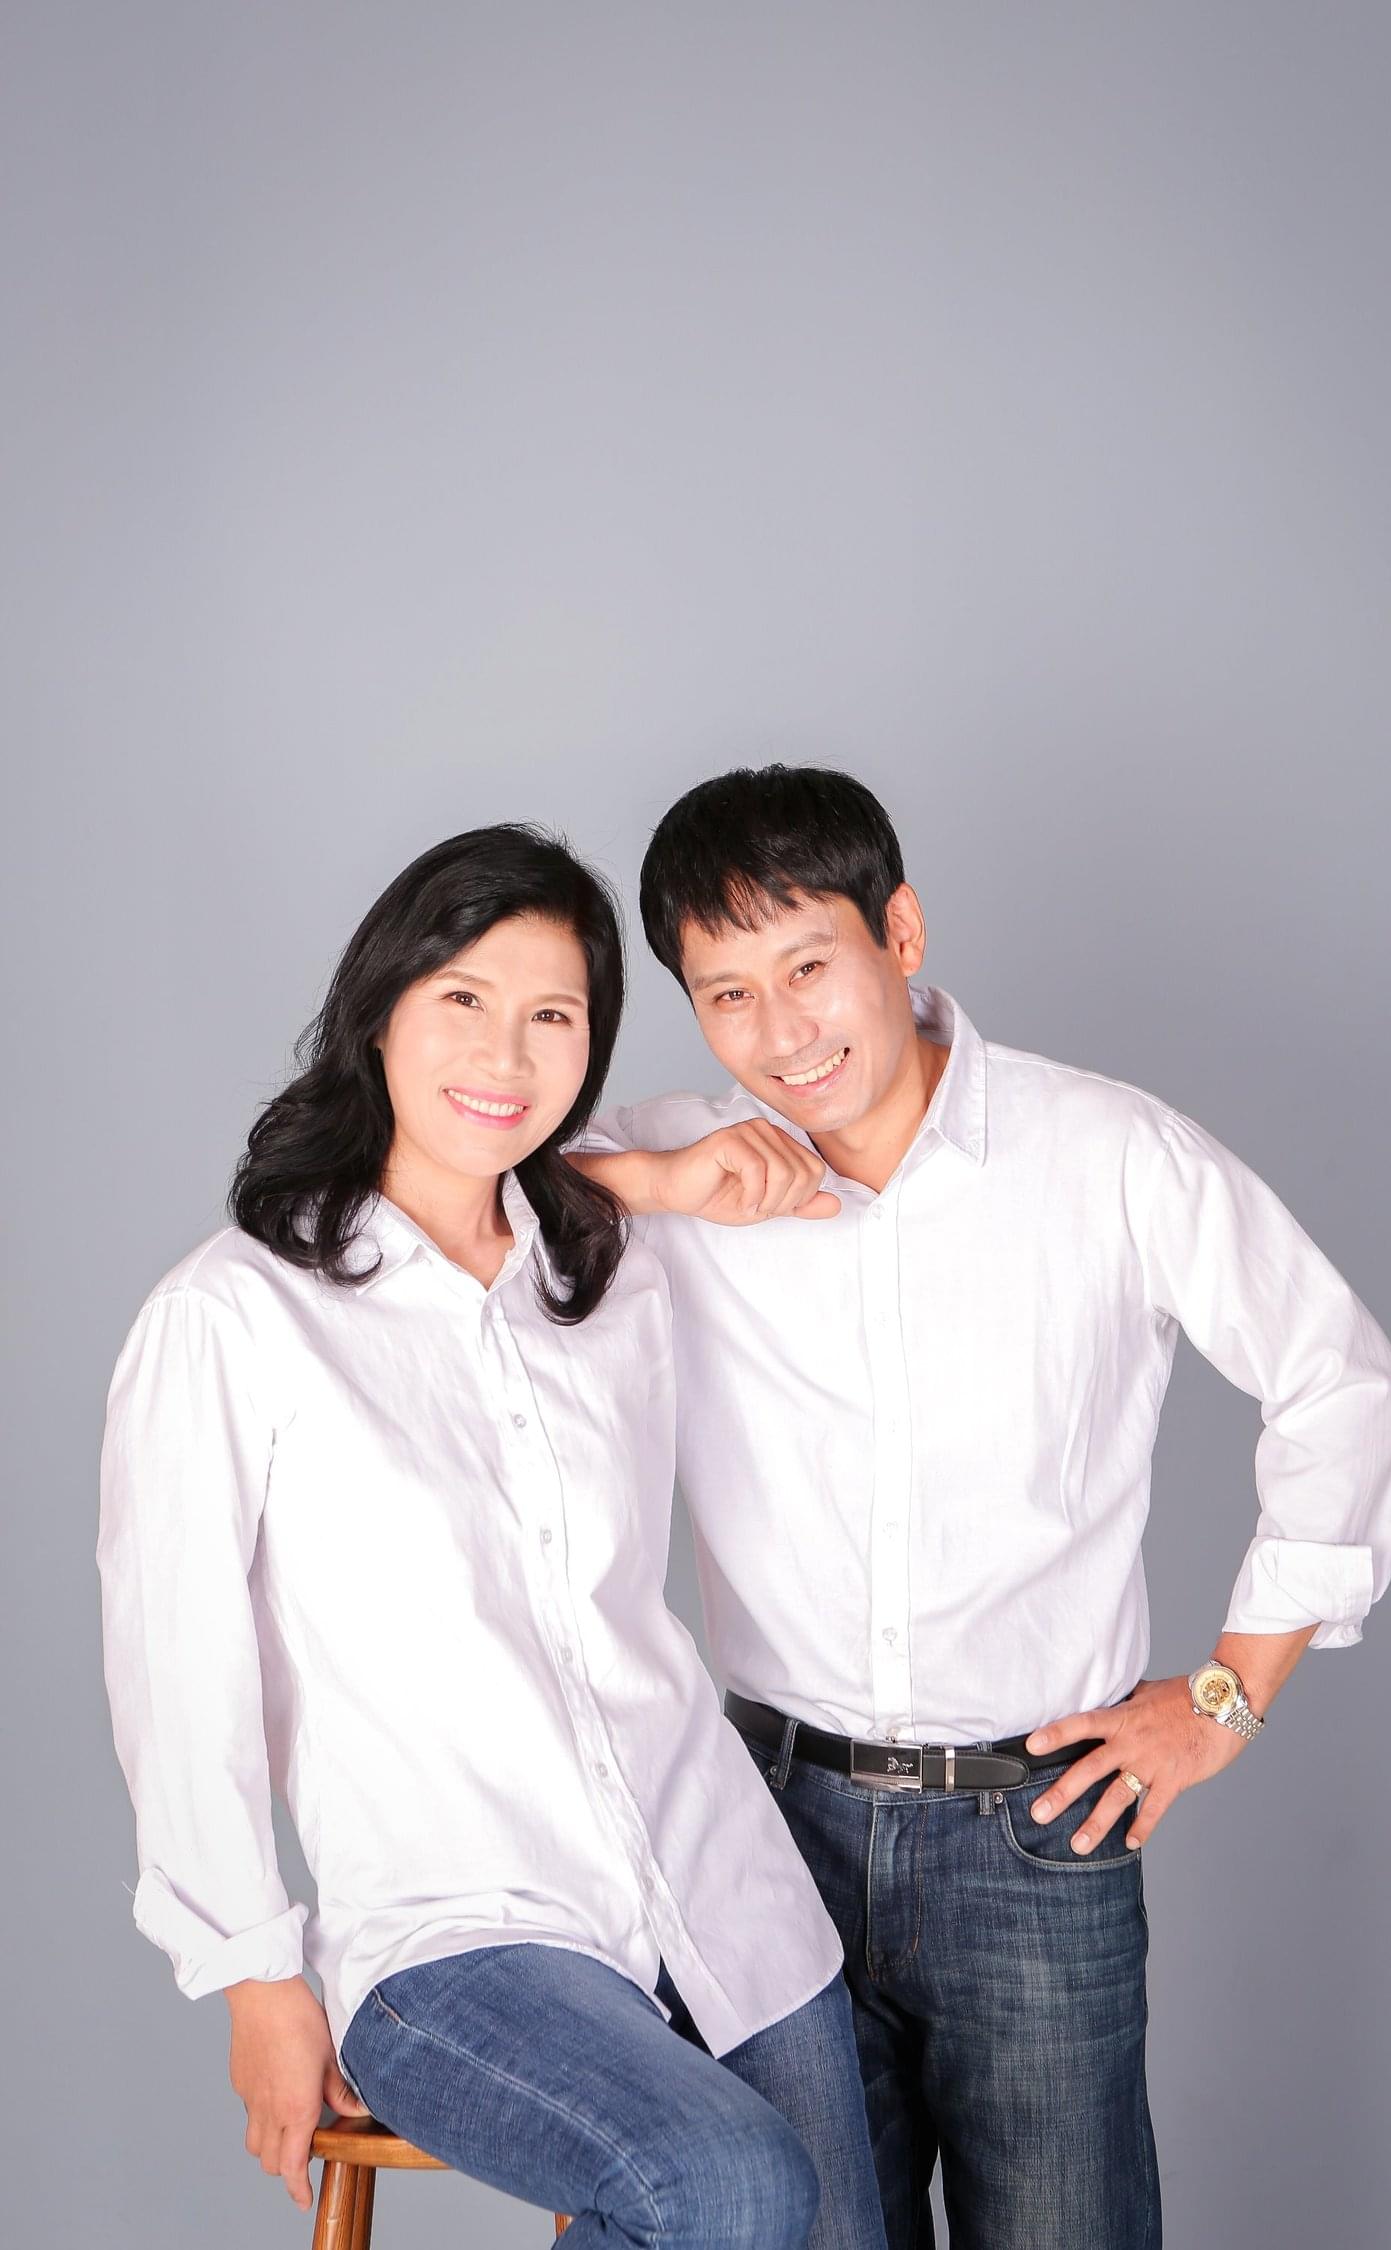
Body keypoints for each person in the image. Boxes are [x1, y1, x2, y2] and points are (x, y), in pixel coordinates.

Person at [569, 764, 1391, 2250]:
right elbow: (427, 1194)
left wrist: (1226, 1698)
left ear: (899, 933)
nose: (782, 1033)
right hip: (767, 1829)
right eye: (728, 995)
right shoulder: (686, 1164)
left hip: (1035, 1830)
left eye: (809, 967)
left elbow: (1341, 1381)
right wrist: (653, 1180)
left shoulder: (1104, 1152)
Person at [98, 822, 888, 2250]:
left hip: (726, 1896)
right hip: (455, 1938)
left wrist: (647, 1183)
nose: (505, 1054)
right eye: (463, 998)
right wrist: (255, 1977)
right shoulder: (233, 1315)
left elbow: (587, 1180)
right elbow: (178, 1667)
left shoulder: (615, 1277)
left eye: (553, 1017)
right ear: (379, 1011)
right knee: (728, 2187)